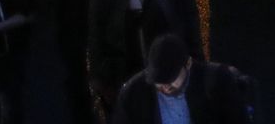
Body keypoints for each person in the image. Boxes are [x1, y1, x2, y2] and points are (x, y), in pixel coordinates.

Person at [110, 34, 256, 124]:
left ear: (188, 64)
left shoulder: (217, 81)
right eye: (159, 81)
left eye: (171, 78)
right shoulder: (133, 94)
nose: (165, 86)